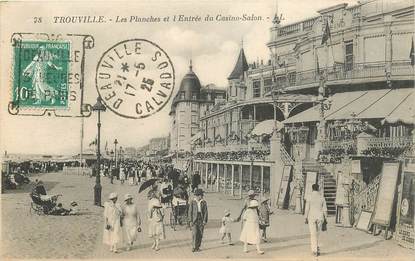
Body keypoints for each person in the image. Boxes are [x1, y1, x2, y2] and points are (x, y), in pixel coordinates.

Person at [304, 184, 328, 257]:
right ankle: (318, 249)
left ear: (312, 189)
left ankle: (314, 250)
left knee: (313, 234)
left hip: (311, 217)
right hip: (320, 217)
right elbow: (325, 210)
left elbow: (307, 209)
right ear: (318, 189)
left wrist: (305, 217)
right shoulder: (322, 197)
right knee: (318, 234)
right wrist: (326, 219)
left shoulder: (309, 197)